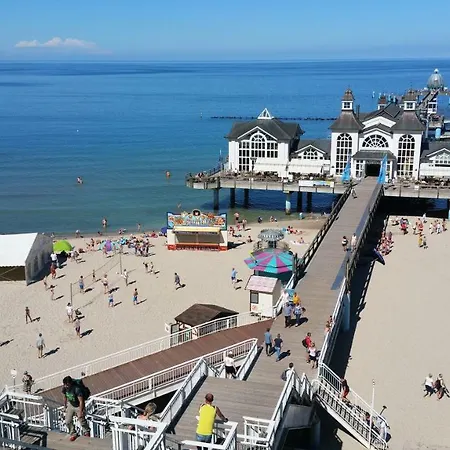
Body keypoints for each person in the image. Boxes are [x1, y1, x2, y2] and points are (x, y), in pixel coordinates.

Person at [62, 376, 91, 441]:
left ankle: (86, 431)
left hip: (78, 405)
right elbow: (65, 397)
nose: (66, 386)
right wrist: (65, 406)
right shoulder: (65, 388)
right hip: (71, 404)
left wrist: (81, 411)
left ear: (70, 383)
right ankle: (73, 433)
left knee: (81, 419)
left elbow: (81, 401)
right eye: (65, 384)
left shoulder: (76, 389)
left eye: (67, 385)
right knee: (67, 421)